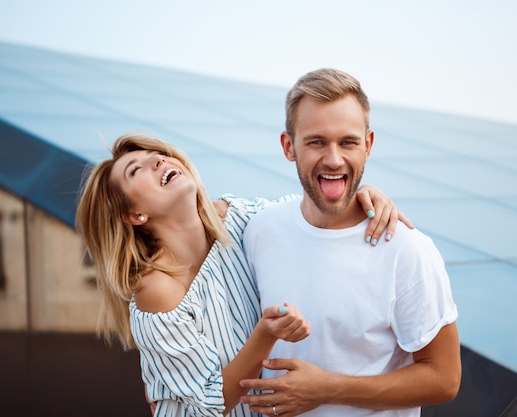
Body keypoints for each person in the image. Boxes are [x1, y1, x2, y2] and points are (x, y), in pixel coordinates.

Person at [76, 134, 411, 417]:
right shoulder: (158, 289)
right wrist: (265, 334)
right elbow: (209, 404)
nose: (160, 163)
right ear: (135, 214)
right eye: (138, 170)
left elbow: (307, 214)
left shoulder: (239, 217)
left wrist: (362, 196)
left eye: (159, 156)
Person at [239, 68, 461, 417]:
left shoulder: (407, 250)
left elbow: (444, 378)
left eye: (348, 142)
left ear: (368, 145)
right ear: (288, 146)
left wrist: (328, 388)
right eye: (316, 142)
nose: (333, 159)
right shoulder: (259, 231)